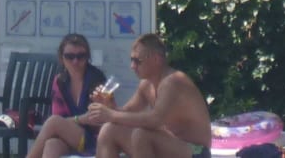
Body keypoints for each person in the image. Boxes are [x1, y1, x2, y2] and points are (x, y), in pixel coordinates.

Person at [81, 33, 211, 158]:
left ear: (156, 59)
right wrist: (110, 106)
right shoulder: (146, 84)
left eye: (137, 61)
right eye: (131, 60)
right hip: (170, 145)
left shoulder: (172, 81)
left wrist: (111, 114)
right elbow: (125, 113)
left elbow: (155, 120)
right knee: (109, 129)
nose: (132, 66)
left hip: (197, 151)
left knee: (142, 135)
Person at [26, 33, 109, 158]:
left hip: (93, 140)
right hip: (68, 136)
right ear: (62, 58)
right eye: (70, 56)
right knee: (51, 145)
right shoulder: (60, 81)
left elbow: (99, 121)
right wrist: (80, 119)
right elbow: (60, 118)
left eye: (81, 56)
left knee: (53, 122)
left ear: (87, 57)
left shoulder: (96, 80)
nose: (75, 61)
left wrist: (73, 121)